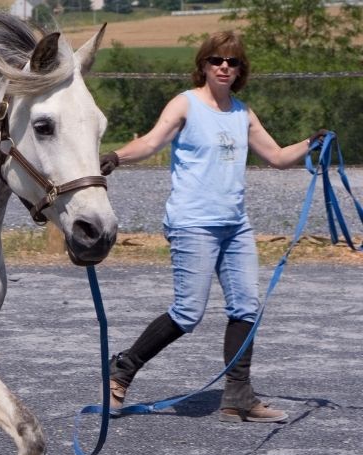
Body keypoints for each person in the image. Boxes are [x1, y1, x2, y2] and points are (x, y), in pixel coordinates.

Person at [98, 31, 327, 423]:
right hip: (193, 223)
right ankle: (121, 370)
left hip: (235, 226)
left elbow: (276, 156)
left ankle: (238, 397)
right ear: (204, 65)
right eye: (217, 60)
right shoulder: (185, 105)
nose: (225, 67)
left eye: (233, 62)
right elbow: (151, 143)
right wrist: (116, 157)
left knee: (246, 308)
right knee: (188, 312)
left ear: (241, 71)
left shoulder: (242, 113)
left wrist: (312, 142)